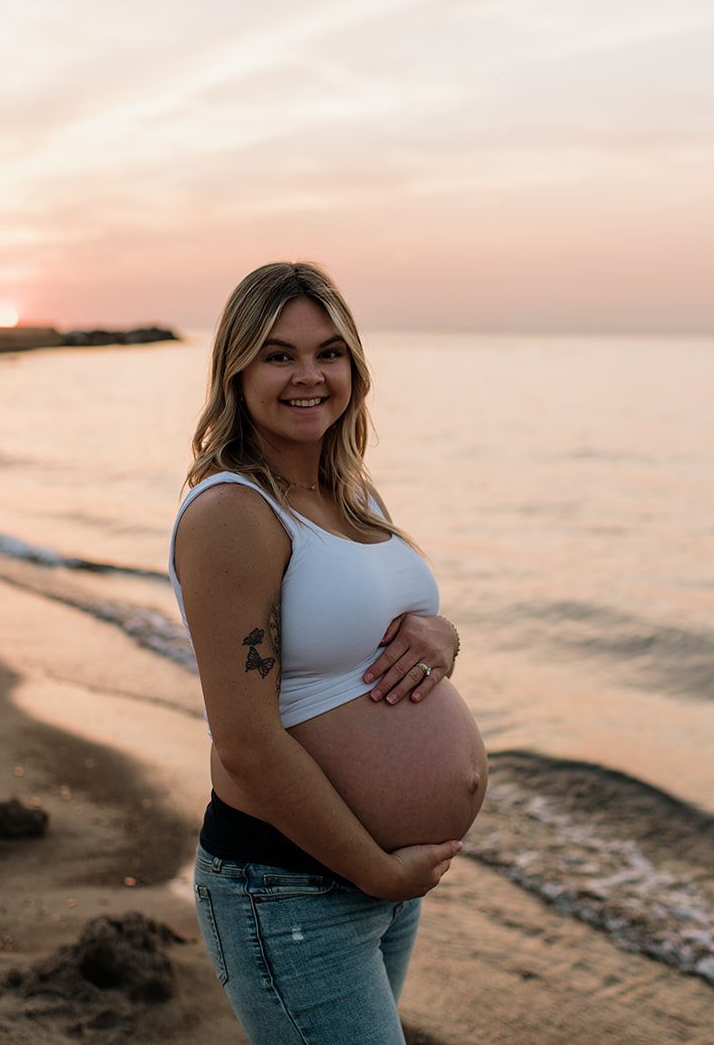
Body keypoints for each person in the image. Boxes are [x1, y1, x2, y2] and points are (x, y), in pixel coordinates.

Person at [170, 261, 487, 1044]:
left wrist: (444, 636)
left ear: (354, 366)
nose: (308, 375)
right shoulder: (232, 513)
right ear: (236, 371)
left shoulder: (350, 493)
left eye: (328, 352)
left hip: (375, 882)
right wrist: (375, 870)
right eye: (279, 355)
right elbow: (244, 742)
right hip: (290, 886)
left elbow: (387, 625)